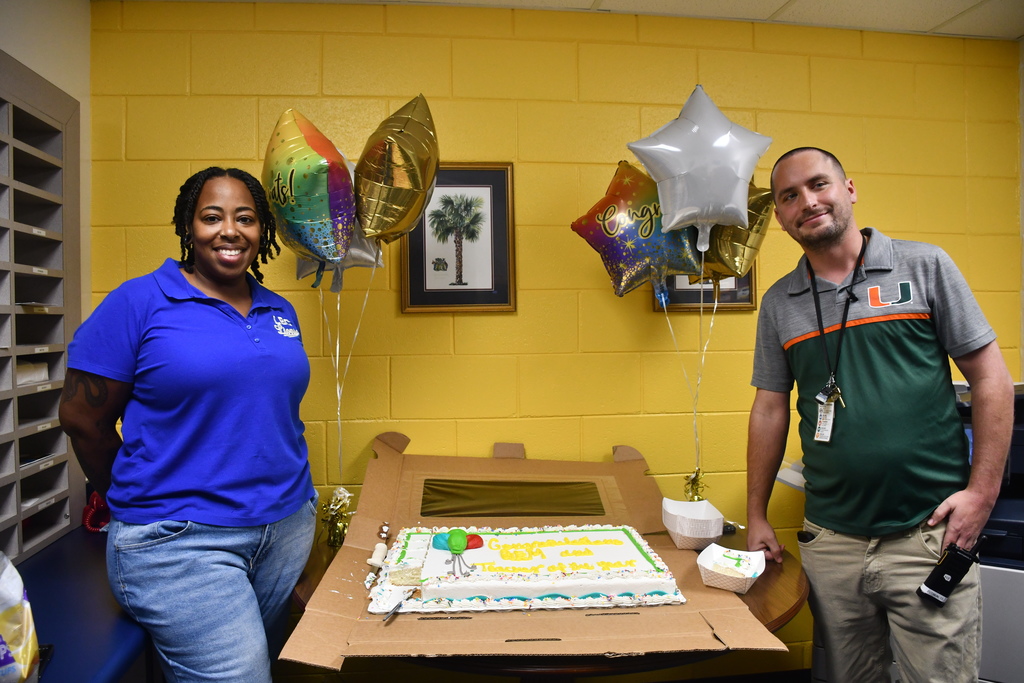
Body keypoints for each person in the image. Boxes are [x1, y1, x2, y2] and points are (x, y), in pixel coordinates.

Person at [746, 147, 1014, 683]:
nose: (807, 201)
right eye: (789, 196)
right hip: (833, 543)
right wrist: (756, 513)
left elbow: (991, 379)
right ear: (780, 217)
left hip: (928, 535)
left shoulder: (924, 265)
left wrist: (982, 494)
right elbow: (770, 408)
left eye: (819, 184)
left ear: (849, 189)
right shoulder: (780, 303)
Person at [59, 167, 316, 683]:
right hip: (181, 541)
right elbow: (81, 417)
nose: (229, 230)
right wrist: (135, 497)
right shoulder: (139, 302)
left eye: (245, 218)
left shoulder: (278, 308)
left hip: (284, 530)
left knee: (267, 665)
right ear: (188, 226)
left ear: (262, 231)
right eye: (212, 216)